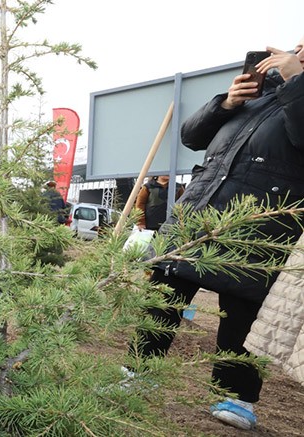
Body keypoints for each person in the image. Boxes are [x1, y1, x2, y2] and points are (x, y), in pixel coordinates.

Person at [130, 37, 304, 430]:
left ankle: (235, 396)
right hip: (200, 210)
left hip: (259, 224)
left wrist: (297, 84)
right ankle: (137, 369)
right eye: (298, 46)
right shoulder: (257, 96)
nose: (297, 53)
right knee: (164, 296)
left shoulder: (296, 92)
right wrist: (226, 102)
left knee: (242, 308)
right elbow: (192, 137)